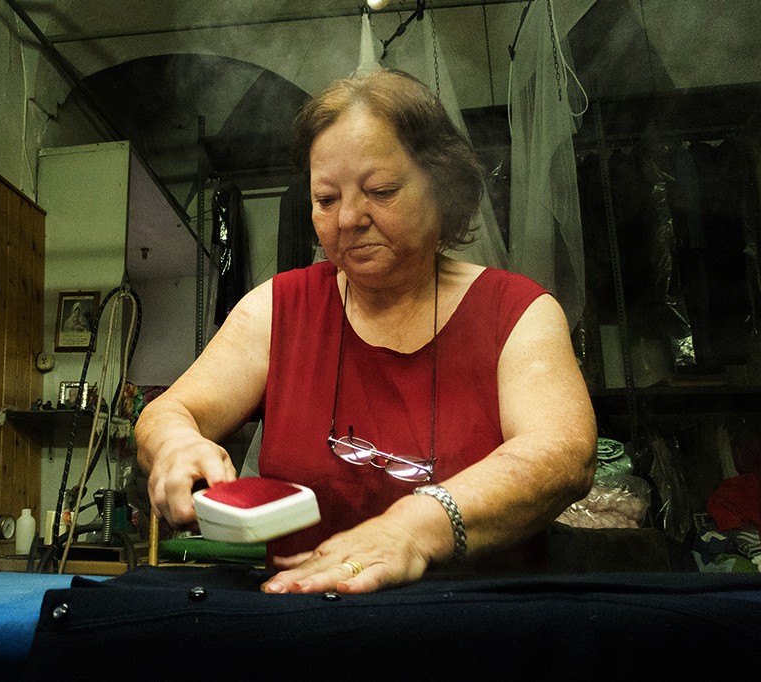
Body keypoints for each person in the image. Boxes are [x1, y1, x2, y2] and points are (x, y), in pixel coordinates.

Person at [135, 68, 596, 594]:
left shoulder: (516, 312)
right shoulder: (278, 309)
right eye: (326, 199)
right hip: (307, 615)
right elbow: (170, 411)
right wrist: (175, 445)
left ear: (443, 188)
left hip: (477, 618)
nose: (349, 218)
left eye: (381, 191)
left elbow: (563, 454)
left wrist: (413, 530)